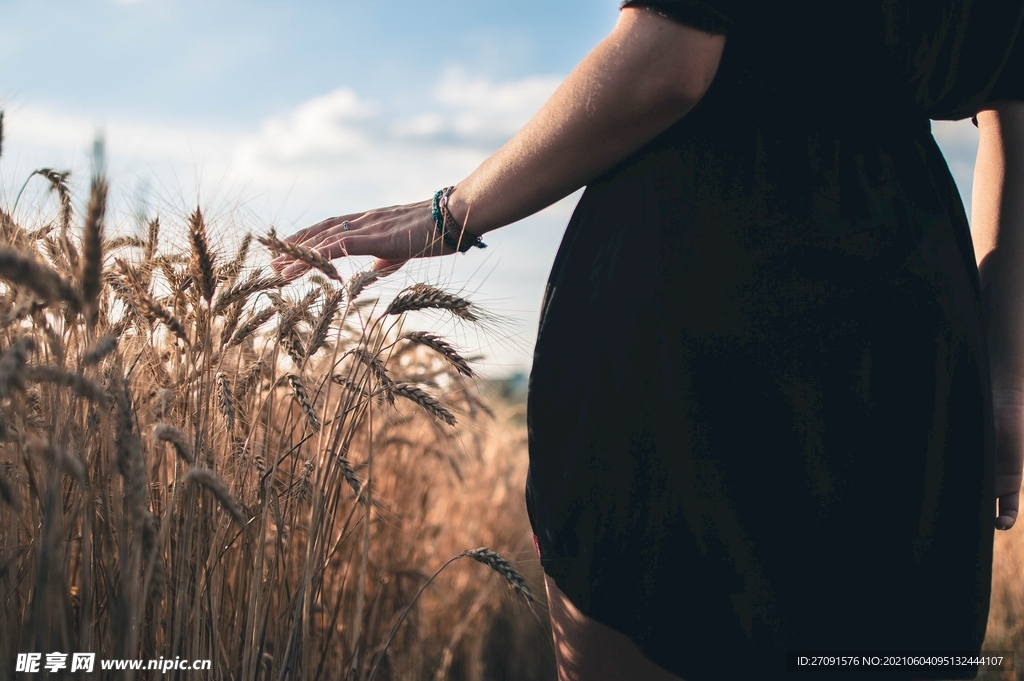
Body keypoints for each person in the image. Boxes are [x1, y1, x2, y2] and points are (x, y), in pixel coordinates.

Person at [273, 2, 1024, 679]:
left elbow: (673, 60)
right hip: (909, 343)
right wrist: (1004, 378)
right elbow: (1016, 121)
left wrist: (453, 210)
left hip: (692, 315)